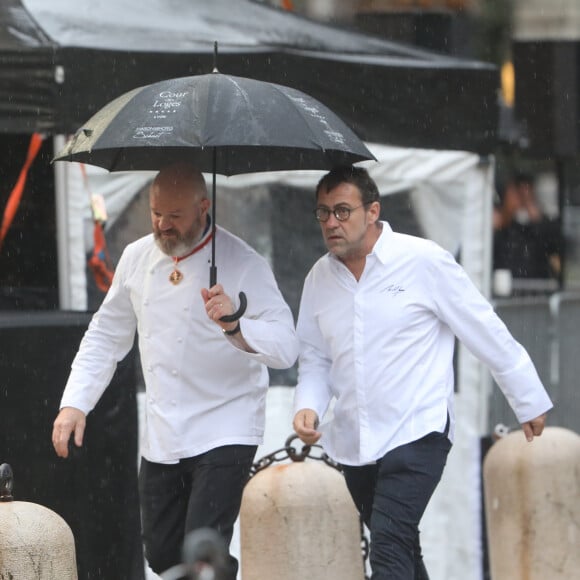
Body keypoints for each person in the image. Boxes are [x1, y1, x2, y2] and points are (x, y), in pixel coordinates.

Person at [292, 166, 553, 580]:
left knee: (389, 544)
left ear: (373, 210)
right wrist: (308, 405)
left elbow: (482, 328)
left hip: (418, 430)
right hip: (356, 438)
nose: (331, 223)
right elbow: (315, 358)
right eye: (322, 213)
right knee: (402, 547)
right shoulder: (318, 278)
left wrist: (527, 398)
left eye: (342, 211)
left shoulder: (423, 260)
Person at [52, 162, 299, 579]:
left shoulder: (243, 261)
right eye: (155, 213)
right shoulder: (135, 257)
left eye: (175, 216)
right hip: (165, 429)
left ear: (204, 207)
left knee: (203, 547)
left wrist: (237, 326)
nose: (163, 225)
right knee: (163, 552)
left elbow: (286, 347)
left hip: (227, 423)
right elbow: (106, 334)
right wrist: (75, 402)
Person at [493, 172, 561, 282]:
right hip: (507, 284)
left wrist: (536, 216)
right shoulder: (502, 225)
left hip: (536, 287)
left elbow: (554, 245)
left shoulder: (539, 227)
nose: (522, 198)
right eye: (517, 192)